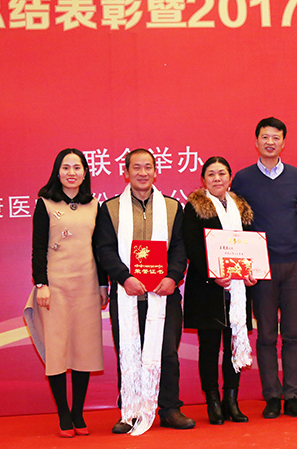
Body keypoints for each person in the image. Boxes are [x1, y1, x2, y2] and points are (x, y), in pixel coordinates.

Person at [95, 149, 195, 434]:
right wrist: (124, 278)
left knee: (167, 353)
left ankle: (170, 409)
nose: (142, 172)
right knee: (129, 352)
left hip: (164, 293)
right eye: (136, 167)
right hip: (126, 293)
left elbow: (180, 248)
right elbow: (104, 249)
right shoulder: (110, 208)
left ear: (155, 171)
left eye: (148, 167)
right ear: (125, 172)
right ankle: (130, 410)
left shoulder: (173, 207)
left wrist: (173, 277)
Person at [25, 148, 109, 438]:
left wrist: (103, 284)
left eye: (77, 167)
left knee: (84, 348)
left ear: (85, 173)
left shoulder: (94, 205)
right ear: (57, 172)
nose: (71, 173)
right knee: (58, 350)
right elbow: (38, 247)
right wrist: (41, 284)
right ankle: (63, 413)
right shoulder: (45, 203)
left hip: (87, 286)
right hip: (55, 287)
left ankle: (78, 413)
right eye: (66, 167)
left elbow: (99, 249)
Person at [231, 117, 297, 419]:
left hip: (295, 263)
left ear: (283, 142)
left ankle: (293, 396)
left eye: (276, 137)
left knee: (292, 334)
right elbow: (235, 223)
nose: (270, 142)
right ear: (256, 141)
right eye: (265, 137)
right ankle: (272, 397)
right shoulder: (242, 178)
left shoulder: (295, 176)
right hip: (260, 267)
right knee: (266, 335)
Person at [183, 156, 257, 425]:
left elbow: (250, 244)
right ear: (203, 179)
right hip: (207, 288)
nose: (217, 179)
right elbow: (192, 246)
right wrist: (213, 274)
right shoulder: (194, 206)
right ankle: (212, 401)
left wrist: (251, 272)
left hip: (237, 289)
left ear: (230, 178)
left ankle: (231, 400)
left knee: (233, 345)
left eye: (222, 173)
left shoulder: (242, 206)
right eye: (211, 174)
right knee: (209, 347)